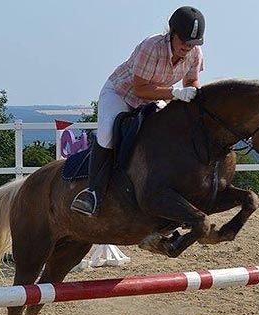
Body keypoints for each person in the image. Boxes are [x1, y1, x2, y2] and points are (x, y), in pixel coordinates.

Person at [71, 6, 205, 216]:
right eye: (184, 41)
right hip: (121, 93)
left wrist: (194, 93)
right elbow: (140, 89)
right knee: (107, 133)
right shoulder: (151, 46)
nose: (188, 47)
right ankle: (93, 193)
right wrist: (176, 94)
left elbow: (192, 80)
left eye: (193, 43)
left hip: (158, 97)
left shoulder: (194, 53)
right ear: (172, 33)